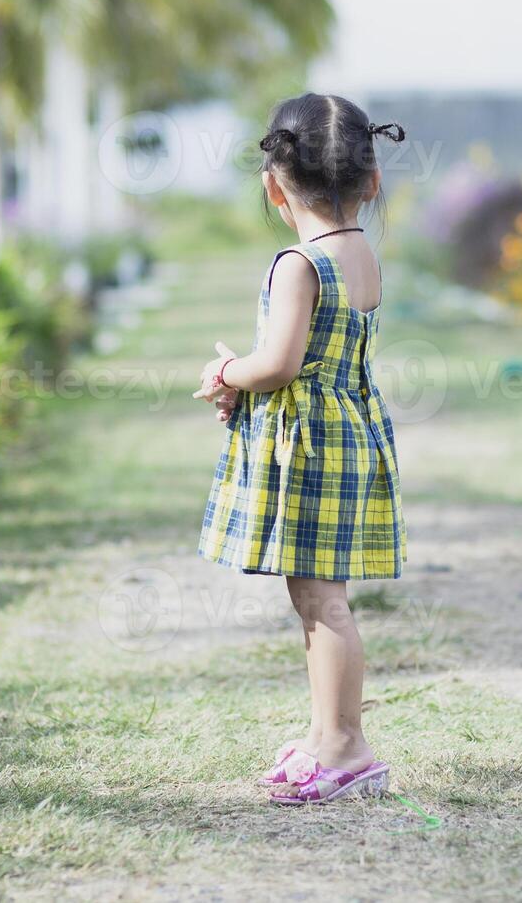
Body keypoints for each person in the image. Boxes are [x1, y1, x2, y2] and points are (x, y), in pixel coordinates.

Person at [194, 93, 409, 805]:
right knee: (316, 596)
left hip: (310, 448)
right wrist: (252, 373)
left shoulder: (299, 263)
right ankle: (325, 736)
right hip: (346, 431)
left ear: (273, 185)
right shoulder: (360, 255)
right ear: (371, 181)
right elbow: (315, 355)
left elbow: (281, 364)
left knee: (322, 602)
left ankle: (347, 746)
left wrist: (229, 372)